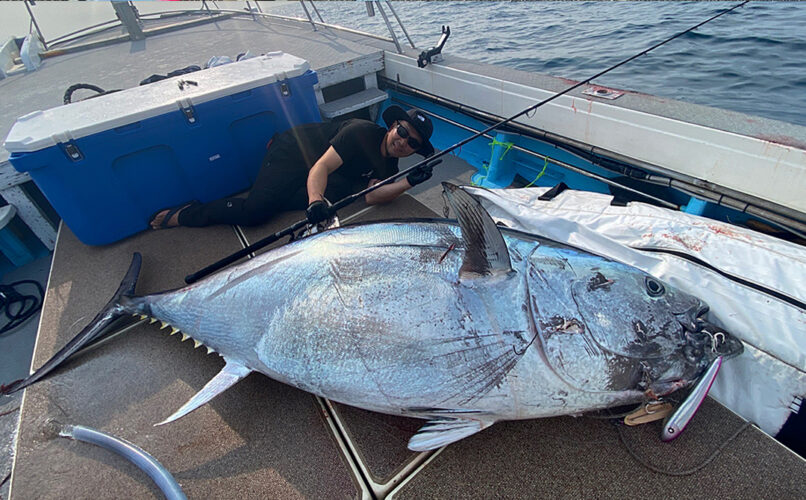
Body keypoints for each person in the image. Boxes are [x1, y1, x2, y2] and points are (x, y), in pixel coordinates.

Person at [149, 105, 436, 229]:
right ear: (392, 127)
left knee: (339, 194)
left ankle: (296, 198)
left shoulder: (391, 164)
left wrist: (409, 182)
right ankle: (187, 214)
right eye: (402, 132)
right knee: (256, 213)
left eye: (412, 143)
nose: (403, 142)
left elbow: (373, 195)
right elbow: (320, 169)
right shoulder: (360, 132)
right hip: (294, 152)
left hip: (324, 171)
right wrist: (314, 203)